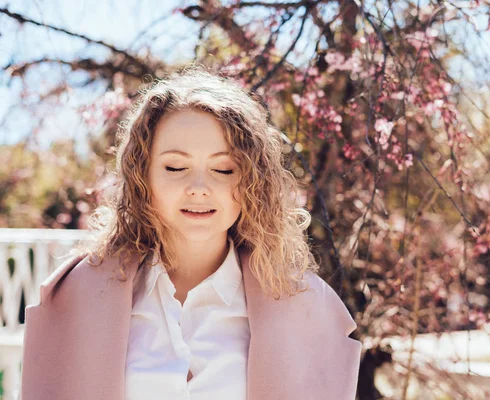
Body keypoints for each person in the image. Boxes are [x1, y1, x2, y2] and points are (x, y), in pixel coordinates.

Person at [20, 67, 361, 400]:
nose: (199, 188)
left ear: (253, 182)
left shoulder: (306, 305)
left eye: (224, 168)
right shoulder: (76, 294)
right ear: (143, 176)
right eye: (175, 167)